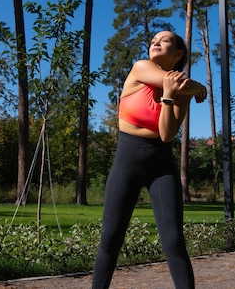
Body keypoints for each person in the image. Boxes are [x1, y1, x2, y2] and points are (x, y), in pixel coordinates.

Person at [92, 31, 207, 289]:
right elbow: (184, 84)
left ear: (178, 54)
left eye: (164, 40)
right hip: (126, 163)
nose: (156, 42)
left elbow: (166, 135)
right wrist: (199, 87)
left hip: (161, 167)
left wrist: (169, 96)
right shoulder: (141, 68)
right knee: (110, 240)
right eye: (154, 39)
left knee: (174, 241)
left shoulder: (181, 92)